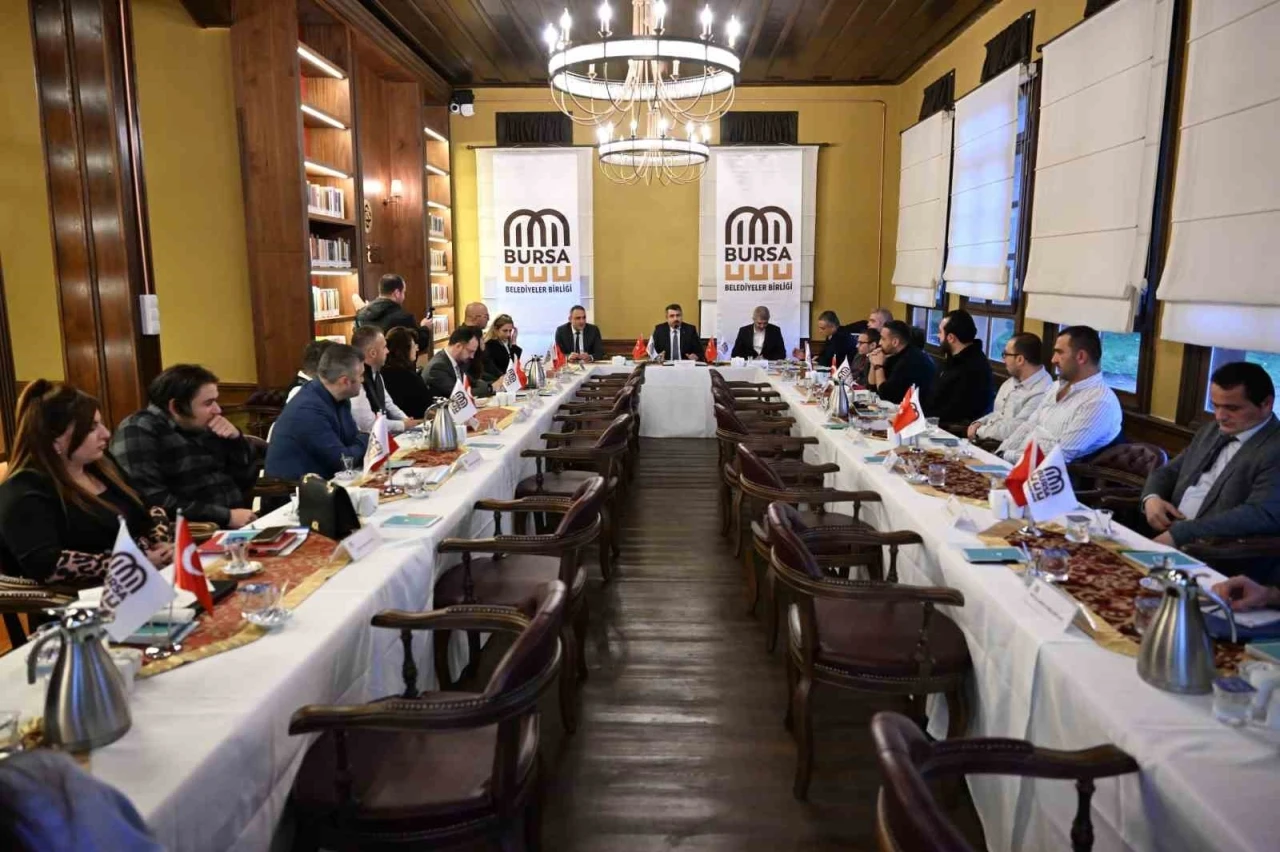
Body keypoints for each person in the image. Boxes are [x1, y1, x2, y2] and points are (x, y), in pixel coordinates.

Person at [0, 381, 172, 585]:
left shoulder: (102, 465)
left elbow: (149, 507)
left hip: (144, 581)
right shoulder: (24, 488)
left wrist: (161, 542)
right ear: (55, 440)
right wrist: (132, 564)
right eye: (91, 428)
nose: (106, 433)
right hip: (84, 598)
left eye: (101, 423)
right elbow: (47, 565)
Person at [1141, 362, 1279, 573]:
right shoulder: (1211, 430)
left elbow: (1259, 514)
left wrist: (1182, 534)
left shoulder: (1274, 449)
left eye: (1232, 408)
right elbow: (1169, 471)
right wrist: (1151, 498)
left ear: (1266, 404)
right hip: (1166, 535)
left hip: (1217, 558)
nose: (1220, 416)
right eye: (1215, 405)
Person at [110, 364, 259, 529]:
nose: (218, 410)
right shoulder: (138, 429)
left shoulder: (203, 424)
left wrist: (236, 441)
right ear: (175, 407)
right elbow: (153, 500)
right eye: (208, 403)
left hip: (238, 524)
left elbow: (244, 481)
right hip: (195, 532)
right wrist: (227, 516)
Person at [997, 325, 1122, 464]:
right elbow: (1029, 425)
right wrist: (999, 454)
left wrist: (1007, 456)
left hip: (1042, 473)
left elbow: (1057, 457)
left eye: (1059, 353)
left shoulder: (1099, 402)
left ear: (1081, 357)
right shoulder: (1055, 386)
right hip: (1013, 463)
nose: (1053, 360)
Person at [265, 345, 369, 481]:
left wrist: (359, 442)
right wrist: (366, 439)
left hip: (326, 480)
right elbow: (343, 461)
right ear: (345, 381)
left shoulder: (340, 398)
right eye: (361, 375)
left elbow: (351, 440)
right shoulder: (308, 410)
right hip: (292, 489)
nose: (363, 380)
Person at [967, 332, 1053, 443]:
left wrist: (980, 431)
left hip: (1006, 448)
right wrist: (979, 423)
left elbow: (1016, 429)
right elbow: (998, 414)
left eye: (1005, 355)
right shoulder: (1011, 382)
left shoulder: (1043, 390)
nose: (1003, 360)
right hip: (986, 439)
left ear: (1020, 359)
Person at [925, 309, 994, 426]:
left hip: (947, 428)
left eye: (940, 332)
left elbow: (953, 412)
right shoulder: (953, 358)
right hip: (931, 418)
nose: (938, 336)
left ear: (951, 338)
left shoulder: (973, 368)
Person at [349, 325, 418, 434]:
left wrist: (405, 419)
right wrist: (403, 425)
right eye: (384, 347)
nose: (388, 351)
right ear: (373, 353)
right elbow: (367, 425)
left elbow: (388, 404)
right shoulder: (357, 381)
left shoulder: (376, 374)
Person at [354, 273, 431, 349]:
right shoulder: (404, 317)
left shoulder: (360, 315)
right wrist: (425, 328)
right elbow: (417, 345)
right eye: (403, 292)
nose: (404, 296)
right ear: (397, 293)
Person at [867, 319, 935, 404]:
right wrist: (873, 363)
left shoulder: (910, 360)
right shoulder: (894, 354)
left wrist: (878, 366)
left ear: (895, 342)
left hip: (918, 409)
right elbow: (872, 387)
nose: (879, 343)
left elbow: (885, 395)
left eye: (883, 339)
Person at [382, 327, 433, 419]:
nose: (417, 349)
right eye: (414, 346)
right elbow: (427, 408)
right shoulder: (409, 378)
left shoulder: (381, 373)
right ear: (404, 350)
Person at [422, 326, 480, 404]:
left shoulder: (458, 361)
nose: (472, 356)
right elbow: (459, 395)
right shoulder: (437, 367)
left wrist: (489, 386)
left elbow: (473, 382)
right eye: (470, 351)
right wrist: (490, 388)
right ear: (458, 346)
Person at [460, 302, 503, 396]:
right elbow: (472, 371)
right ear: (475, 317)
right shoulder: (464, 337)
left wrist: (502, 377)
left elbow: (487, 363)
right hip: (475, 389)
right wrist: (493, 383)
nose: (489, 319)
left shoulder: (477, 334)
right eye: (486, 316)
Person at [483, 313, 523, 379]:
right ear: (496, 329)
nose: (508, 334)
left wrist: (514, 341)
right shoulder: (490, 345)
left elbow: (513, 363)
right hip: (497, 381)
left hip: (506, 380)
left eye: (510, 331)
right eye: (505, 331)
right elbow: (509, 365)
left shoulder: (506, 343)